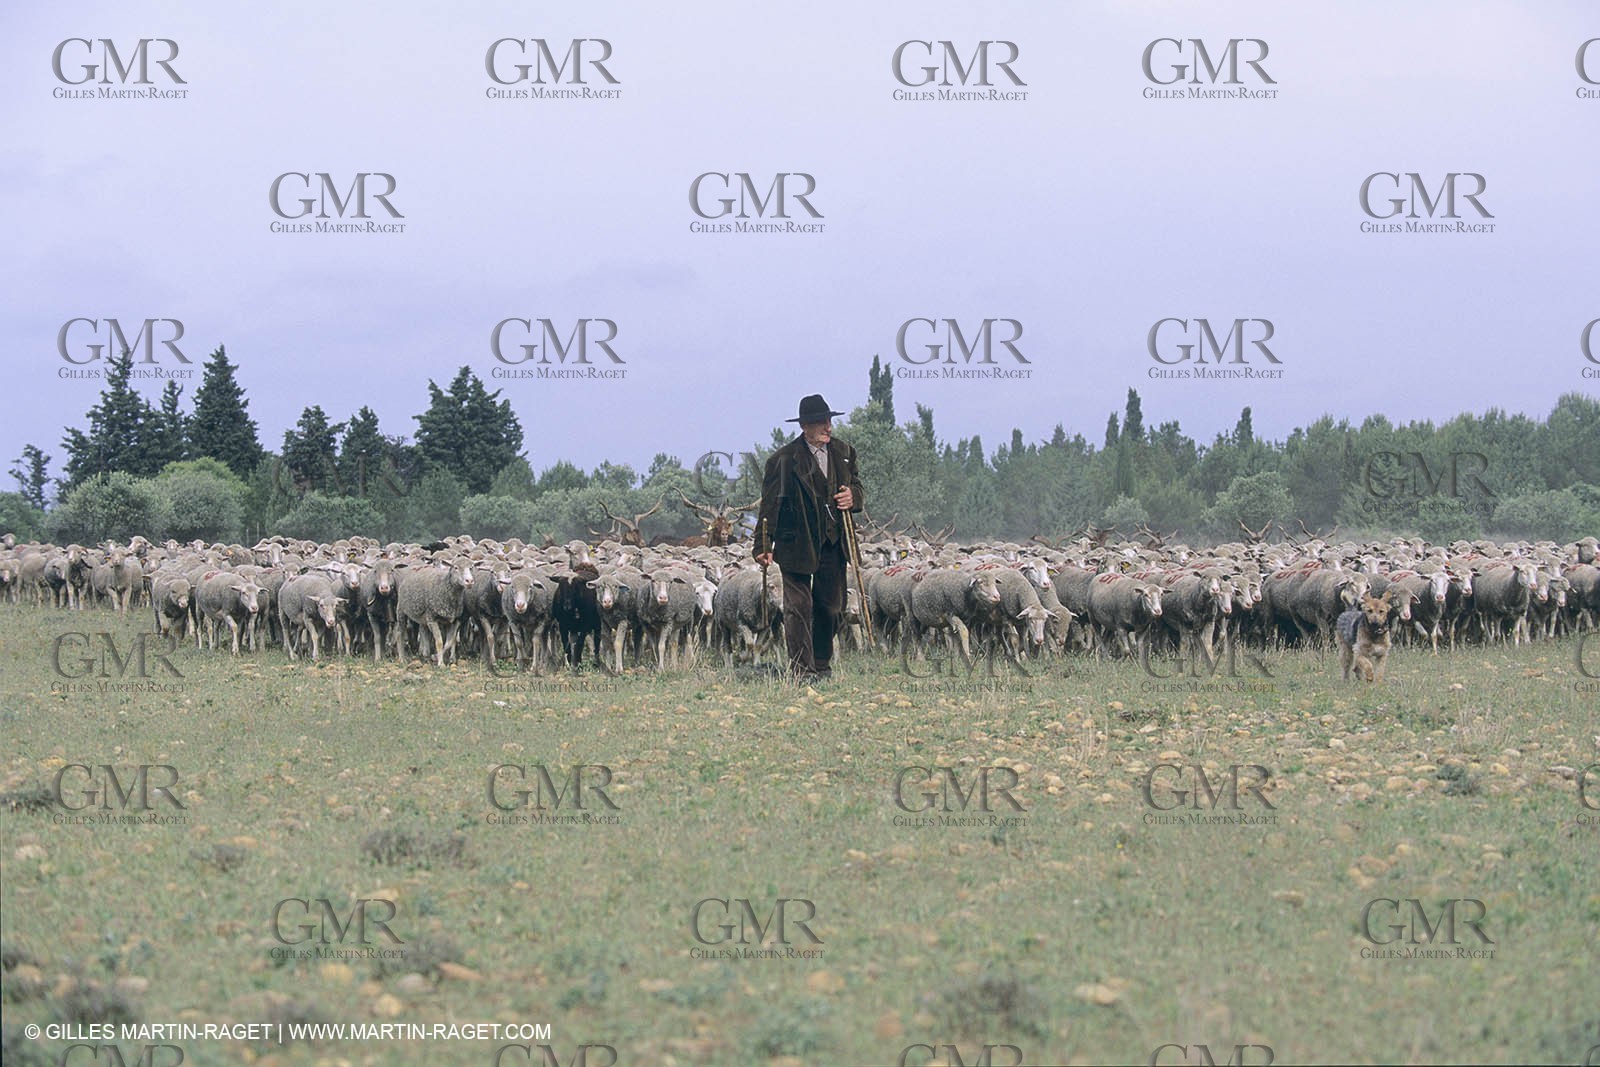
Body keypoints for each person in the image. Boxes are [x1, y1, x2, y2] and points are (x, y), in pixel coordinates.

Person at [753, 394, 867, 682]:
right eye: (821, 423)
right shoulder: (783, 460)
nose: (828, 427)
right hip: (796, 542)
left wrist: (852, 497)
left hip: (833, 541)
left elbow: (857, 488)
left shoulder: (844, 452)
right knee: (798, 607)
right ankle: (802, 670)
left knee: (830, 606)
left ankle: (821, 662)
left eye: (829, 421)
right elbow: (769, 506)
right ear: (805, 426)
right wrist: (763, 545)